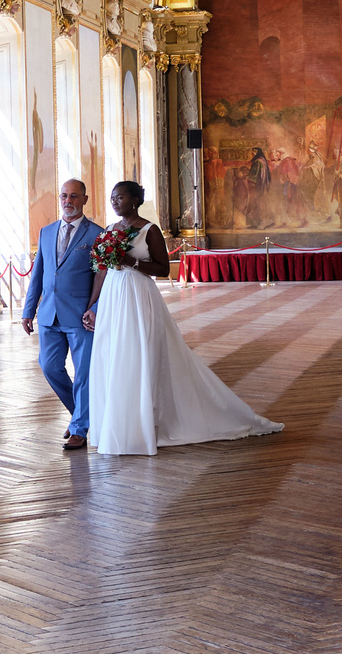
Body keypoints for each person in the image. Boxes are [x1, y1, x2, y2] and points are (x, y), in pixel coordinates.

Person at [83, 180, 283, 457]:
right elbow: (102, 271)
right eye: (112, 197)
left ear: (134, 200)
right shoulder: (109, 230)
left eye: (120, 197)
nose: (114, 202)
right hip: (113, 298)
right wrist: (92, 305)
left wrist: (131, 262)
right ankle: (117, 426)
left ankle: (146, 424)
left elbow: (163, 269)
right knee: (112, 355)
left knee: (138, 355)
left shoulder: (149, 230)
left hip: (138, 297)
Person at [21, 179, 99, 451]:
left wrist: (94, 310)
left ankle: (79, 428)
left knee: (84, 374)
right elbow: (38, 274)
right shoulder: (46, 232)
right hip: (49, 315)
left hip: (81, 318)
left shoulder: (96, 235)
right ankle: (81, 414)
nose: (68, 200)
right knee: (50, 367)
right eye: (64, 195)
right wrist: (28, 310)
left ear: (85, 200)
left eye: (74, 196)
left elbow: (103, 279)